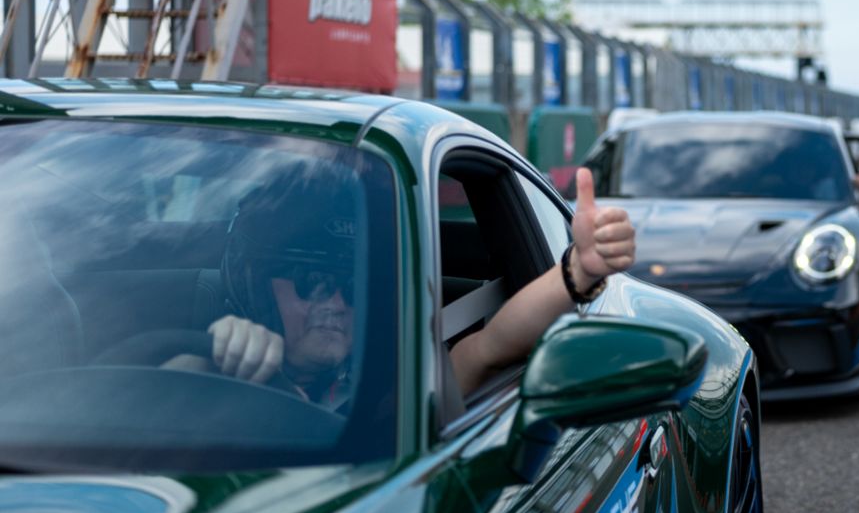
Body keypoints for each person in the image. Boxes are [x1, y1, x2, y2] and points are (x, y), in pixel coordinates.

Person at [180, 167, 633, 404]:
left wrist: (577, 273)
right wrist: (216, 358)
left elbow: (490, 346)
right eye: (311, 281)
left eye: (352, 284)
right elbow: (151, 396)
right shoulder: (209, 369)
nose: (335, 303)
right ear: (254, 282)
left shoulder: (398, 396)